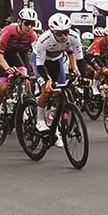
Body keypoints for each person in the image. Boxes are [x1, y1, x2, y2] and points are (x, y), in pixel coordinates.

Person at [32, 14, 85, 142]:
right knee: (47, 90)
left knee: (60, 92)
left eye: (66, 32)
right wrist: (47, 79)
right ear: (52, 31)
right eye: (59, 33)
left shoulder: (74, 37)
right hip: (41, 63)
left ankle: (52, 121)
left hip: (57, 60)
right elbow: (40, 65)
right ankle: (40, 120)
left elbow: (80, 60)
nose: (63, 36)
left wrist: (82, 77)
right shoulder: (43, 40)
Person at [0, 9, 38, 132]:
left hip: (15, 54)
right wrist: (8, 69)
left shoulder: (32, 36)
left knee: (25, 79)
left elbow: (36, 56)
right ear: (19, 21)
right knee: (3, 87)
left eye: (32, 24)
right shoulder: (8, 31)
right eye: (27, 23)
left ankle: (21, 107)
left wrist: (36, 73)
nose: (29, 27)